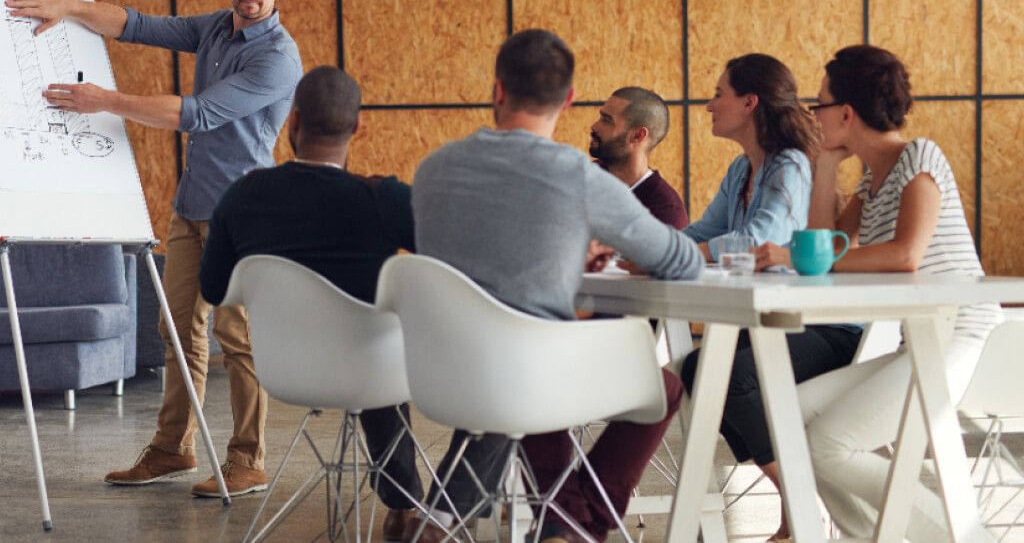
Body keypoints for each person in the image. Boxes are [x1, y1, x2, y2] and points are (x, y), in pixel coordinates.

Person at [6, 0, 303, 496]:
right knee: (178, 332)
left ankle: (248, 459)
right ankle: (172, 449)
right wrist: (67, 6)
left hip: (242, 214)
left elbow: (200, 113)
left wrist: (107, 100)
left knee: (238, 338)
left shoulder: (278, 57)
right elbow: (137, 24)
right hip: (191, 205)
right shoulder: (217, 28)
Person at [408, 29, 703, 543]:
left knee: (534, 357)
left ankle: (554, 521)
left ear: (498, 90)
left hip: (440, 371)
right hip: (528, 374)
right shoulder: (574, 174)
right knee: (662, 385)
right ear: (568, 101)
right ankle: (569, 523)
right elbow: (679, 259)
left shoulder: (433, 169)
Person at [755, 45, 1002, 541]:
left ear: (845, 112)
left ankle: (965, 537)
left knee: (827, 445)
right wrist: (825, 166)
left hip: (959, 337)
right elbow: (821, 251)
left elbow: (906, 253)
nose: (812, 114)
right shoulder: (872, 179)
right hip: (920, 343)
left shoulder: (920, 157)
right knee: (787, 415)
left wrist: (795, 258)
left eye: (817, 104)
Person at [197, 65, 424, 540]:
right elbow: (445, 260)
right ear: (357, 128)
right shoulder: (382, 198)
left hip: (287, 371)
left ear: (293, 123)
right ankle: (404, 504)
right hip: (374, 371)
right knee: (380, 348)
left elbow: (215, 290)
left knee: (373, 351)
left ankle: (404, 503)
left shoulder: (241, 196)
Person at [677, 53, 863, 540]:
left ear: (749, 101)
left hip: (828, 328)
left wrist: (676, 253)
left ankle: (800, 501)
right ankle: (797, 501)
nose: (709, 104)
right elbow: (704, 232)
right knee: (698, 369)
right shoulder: (742, 172)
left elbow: (759, 243)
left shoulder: (792, 167)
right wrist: (648, 248)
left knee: (732, 379)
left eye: (719, 93)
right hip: (778, 324)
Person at [589, 86, 688, 229]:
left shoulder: (666, 214)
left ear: (638, 136)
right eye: (600, 117)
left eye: (607, 120)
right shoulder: (587, 177)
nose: (594, 126)